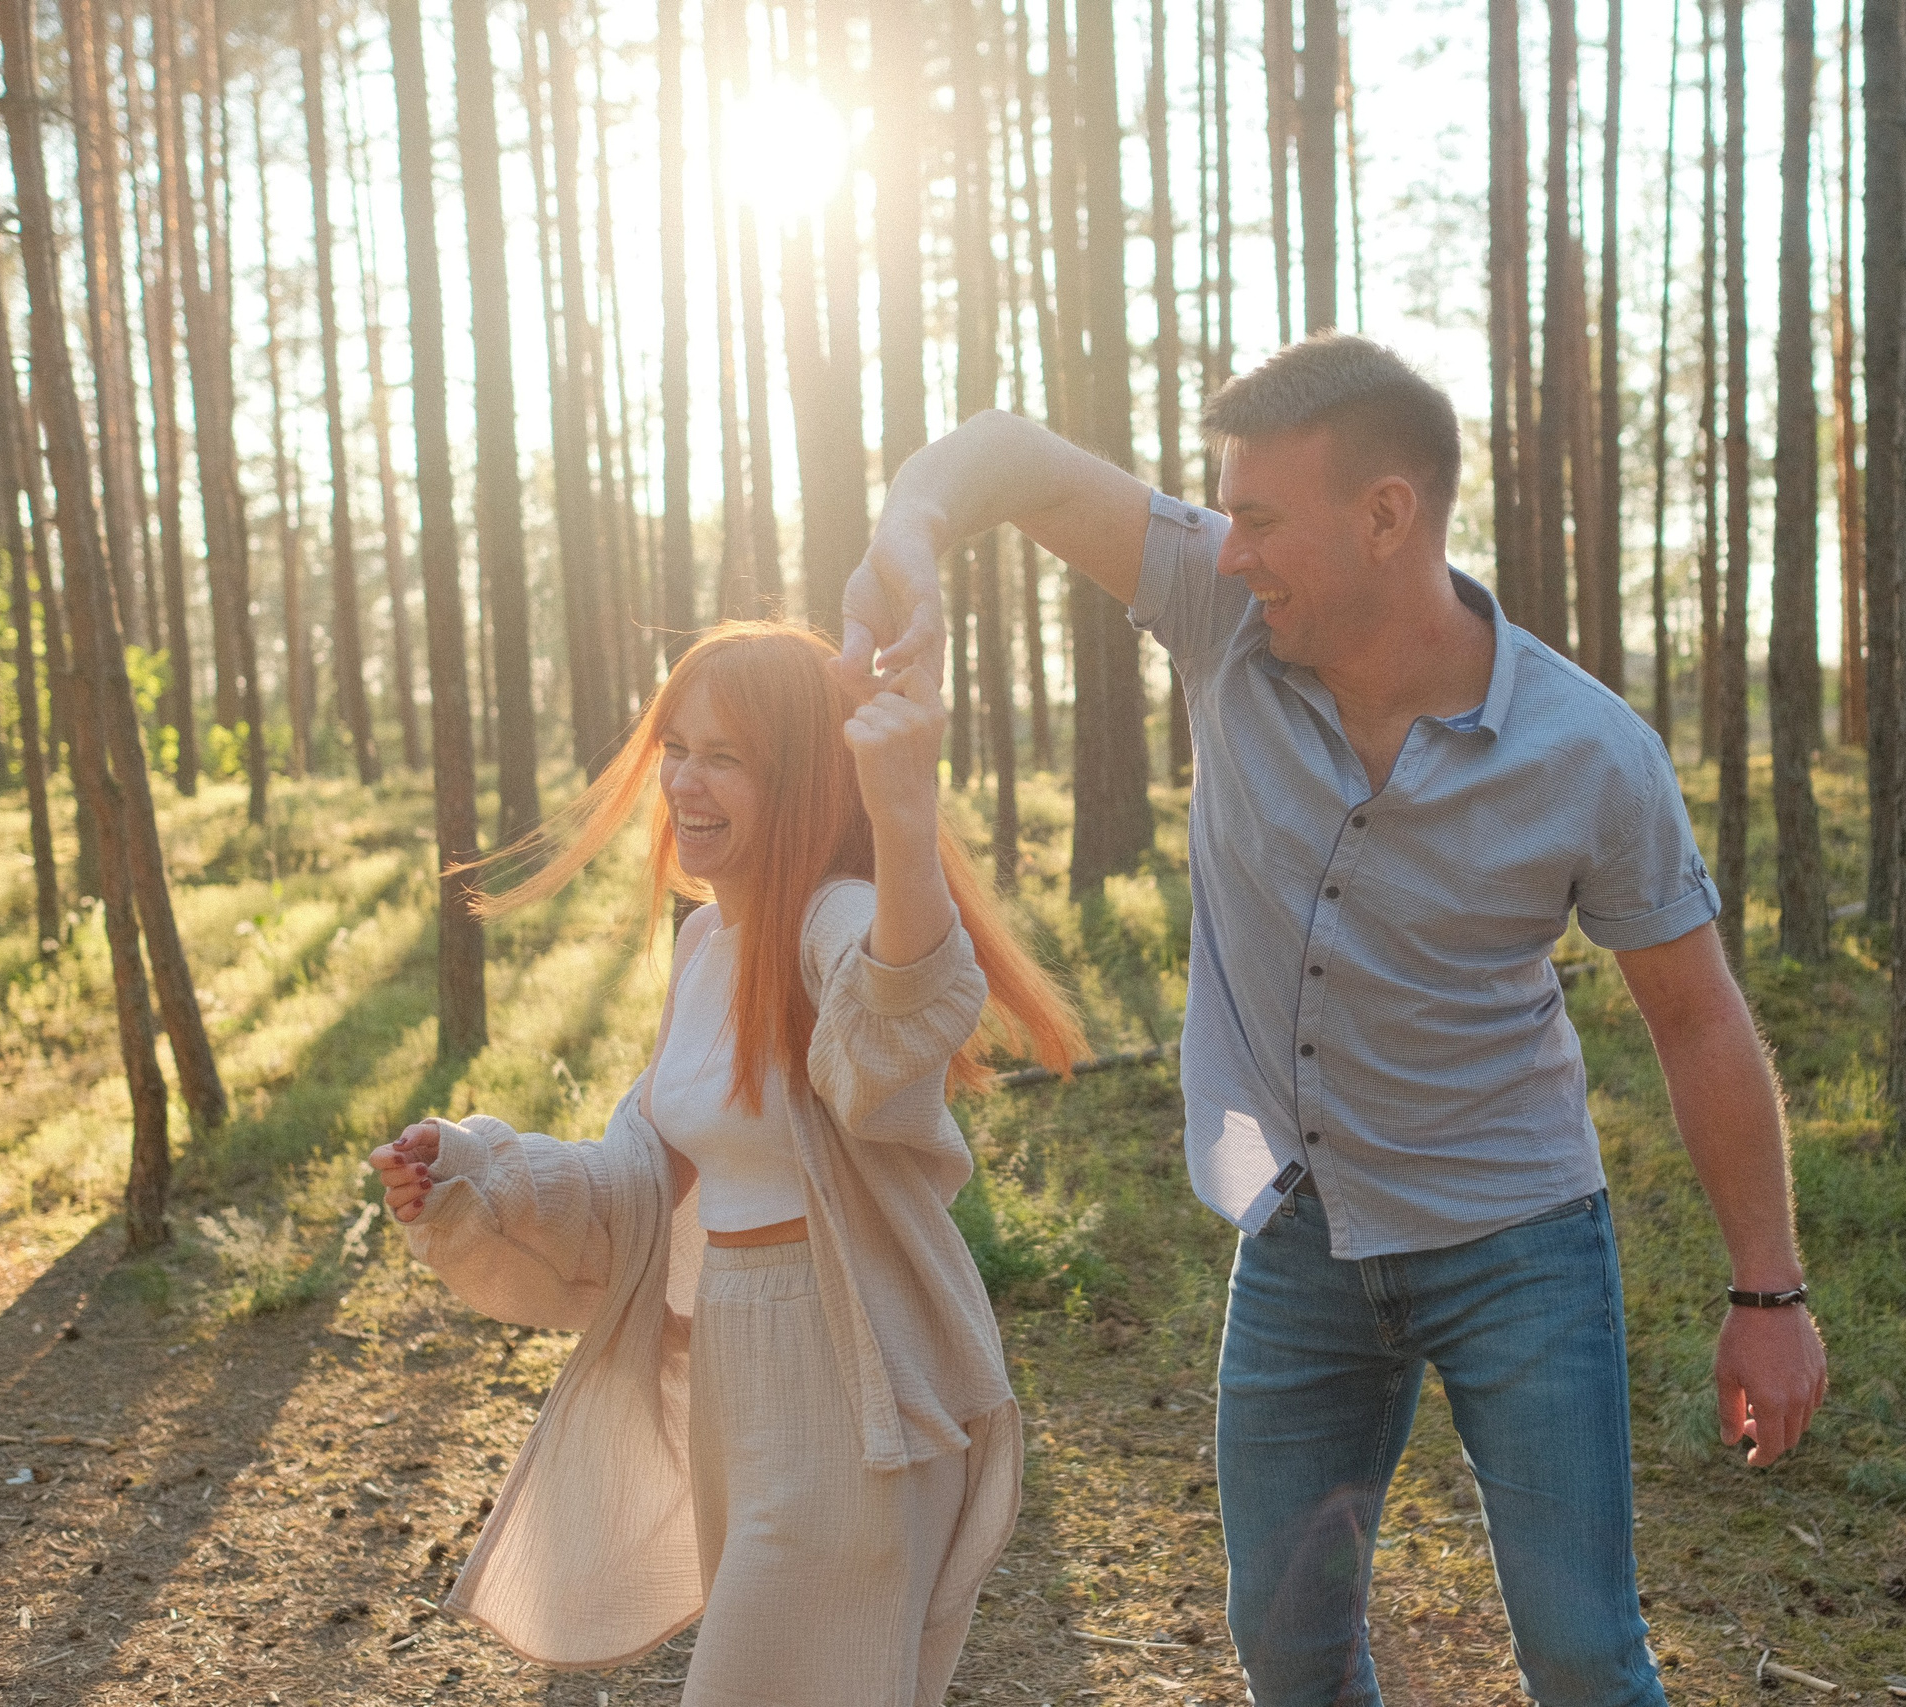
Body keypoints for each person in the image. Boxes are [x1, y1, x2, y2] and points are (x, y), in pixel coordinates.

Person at [841, 334, 1830, 1707]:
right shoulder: (1220, 615)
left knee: (1581, 1652)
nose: (1231, 552)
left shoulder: (1594, 754)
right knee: (1290, 1649)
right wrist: (910, 530)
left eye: (1260, 519)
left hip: (1517, 1241)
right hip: (1302, 1237)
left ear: (1385, 516)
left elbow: (1699, 1020)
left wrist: (1769, 1294)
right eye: (1225, 516)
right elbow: (1013, 457)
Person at [368, 621, 1083, 1704]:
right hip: (736, 1378)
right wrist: (472, 1170)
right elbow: (638, 1183)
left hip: (846, 1381)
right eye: (677, 749)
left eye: (725, 757)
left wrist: (903, 808)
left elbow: (894, 1024)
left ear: (798, 778)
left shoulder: (838, 919)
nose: (685, 784)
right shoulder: (705, 943)